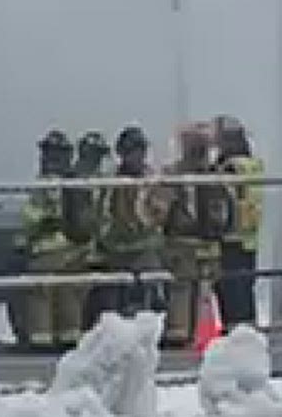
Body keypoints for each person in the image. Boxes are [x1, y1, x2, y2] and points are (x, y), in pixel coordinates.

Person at [162, 123, 234, 346]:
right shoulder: (216, 176)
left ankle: (180, 334)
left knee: (182, 290)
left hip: (181, 243)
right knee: (204, 291)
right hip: (209, 244)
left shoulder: (175, 175)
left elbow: (158, 210)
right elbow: (229, 211)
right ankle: (201, 336)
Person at [17, 130, 81, 351]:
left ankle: (41, 339)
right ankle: (69, 335)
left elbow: (32, 216)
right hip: (71, 251)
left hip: (46, 250)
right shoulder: (73, 182)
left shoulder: (47, 183)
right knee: (68, 295)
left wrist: (23, 240)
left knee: (40, 296)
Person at [98, 125, 164, 321]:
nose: (137, 156)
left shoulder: (152, 181)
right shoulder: (111, 183)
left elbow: (159, 214)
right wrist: (109, 240)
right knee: (114, 294)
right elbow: (102, 215)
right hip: (117, 251)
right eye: (132, 151)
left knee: (150, 286)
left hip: (146, 250)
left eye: (140, 151)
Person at [213, 117, 263, 328]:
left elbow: (218, 198)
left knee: (231, 290)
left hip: (231, 237)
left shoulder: (230, 167)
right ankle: (248, 328)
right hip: (249, 238)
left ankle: (234, 332)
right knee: (245, 288)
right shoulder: (253, 165)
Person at [68, 132, 110, 330]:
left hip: (99, 250)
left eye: (99, 156)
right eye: (93, 156)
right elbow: (79, 221)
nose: (96, 161)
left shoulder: (101, 181)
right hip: (78, 249)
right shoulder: (75, 182)